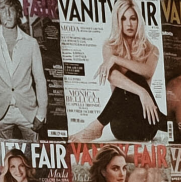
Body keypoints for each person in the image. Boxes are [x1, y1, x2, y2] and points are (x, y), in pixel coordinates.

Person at [70, 0, 167, 142]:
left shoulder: (152, 50)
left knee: (135, 76)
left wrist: (116, 59)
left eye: (133, 18)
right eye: (123, 18)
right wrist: (142, 92)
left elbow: (147, 71)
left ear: (139, 21)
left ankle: (96, 126)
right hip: (121, 124)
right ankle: (97, 126)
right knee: (128, 78)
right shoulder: (109, 47)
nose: (129, 24)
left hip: (146, 123)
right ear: (117, 21)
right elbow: (113, 76)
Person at [0, 0, 47, 141]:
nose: (8, 14)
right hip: (0, 110)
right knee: (5, 157)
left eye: (11, 8)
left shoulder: (31, 43)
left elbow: (40, 79)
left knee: (33, 155)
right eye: (3, 8)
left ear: (17, 12)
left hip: (28, 111)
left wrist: (41, 113)